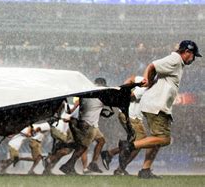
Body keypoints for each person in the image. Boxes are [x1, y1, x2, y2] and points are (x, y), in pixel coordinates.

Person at [118, 40, 201, 179]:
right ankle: (129, 146)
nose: (193, 59)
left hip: (158, 105)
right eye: (193, 55)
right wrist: (147, 80)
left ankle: (145, 170)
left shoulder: (177, 63)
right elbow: (152, 66)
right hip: (157, 105)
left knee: (156, 140)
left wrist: (149, 81)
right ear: (187, 52)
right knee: (164, 139)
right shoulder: (175, 59)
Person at [58, 78, 107, 175]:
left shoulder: (87, 93)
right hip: (88, 125)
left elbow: (78, 106)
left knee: (101, 141)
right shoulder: (100, 95)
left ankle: (93, 163)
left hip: (91, 124)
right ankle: (68, 165)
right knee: (82, 147)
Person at [101, 75, 147, 175]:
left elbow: (132, 78)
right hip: (131, 116)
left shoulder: (143, 81)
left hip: (130, 116)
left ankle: (111, 154)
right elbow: (130, 95)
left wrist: (125, 87)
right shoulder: (146, 85)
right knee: (141, 142)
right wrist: (124, 91)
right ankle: (120, 167)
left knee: (134, 143)